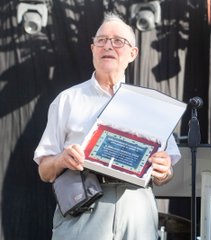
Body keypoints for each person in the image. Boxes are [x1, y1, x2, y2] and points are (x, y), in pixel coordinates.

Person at [34, 12, 181, 240]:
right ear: (92, 49)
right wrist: (61, 159)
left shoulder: (152, 105)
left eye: (118, 41)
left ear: (133, 54)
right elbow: (44, 170)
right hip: (84, 206)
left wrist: (164, 170)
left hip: (136, 208)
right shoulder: (67, 100)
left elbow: (167, 170)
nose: (108, 46)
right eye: (101, 40)